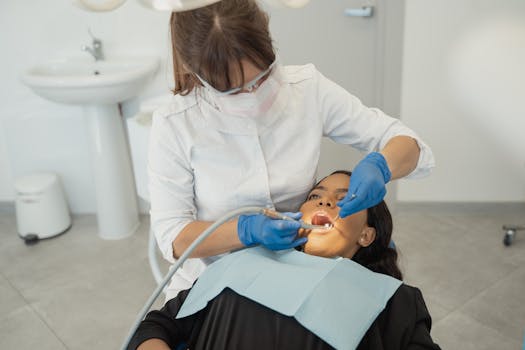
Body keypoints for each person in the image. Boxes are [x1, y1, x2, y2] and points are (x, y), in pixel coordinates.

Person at [149, 0, 435, 299]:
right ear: (196, 73)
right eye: (232, 90)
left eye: (262, 77)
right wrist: (245, 231)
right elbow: (174, 238)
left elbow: (407, 143)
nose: (252, 93)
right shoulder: (174, 124)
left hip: (305, 270)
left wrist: (382, 164)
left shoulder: (307, 89)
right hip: (214, 281)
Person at [129, 171, 441, 350]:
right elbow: (156, 327)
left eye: (344, 200)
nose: (325, 201)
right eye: (315, 197)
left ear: (367, 235)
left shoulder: (393, 299)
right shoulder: (240, 264)